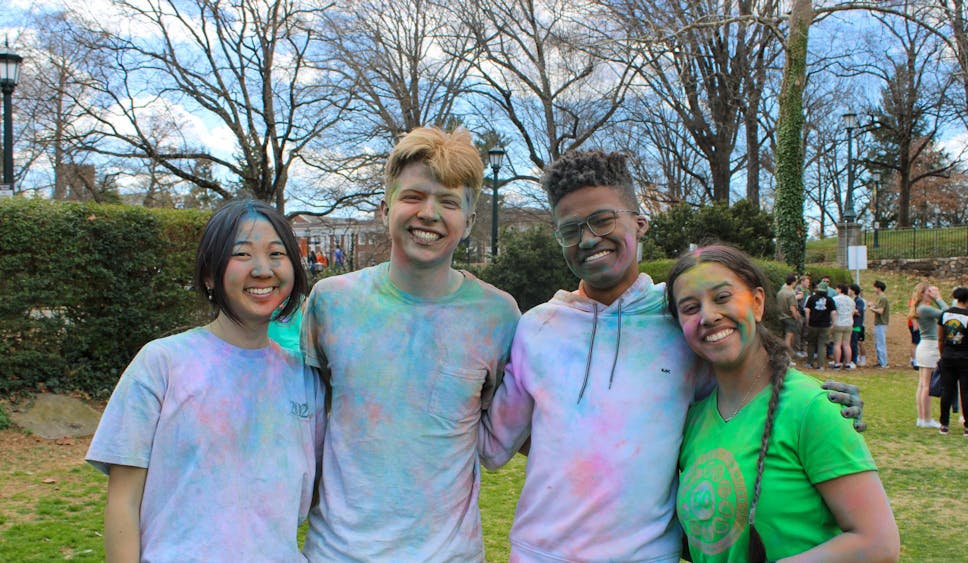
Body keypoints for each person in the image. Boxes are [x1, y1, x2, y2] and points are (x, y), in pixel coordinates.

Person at [478, 150, 863, 562]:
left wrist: (822, 402)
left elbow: (749, 390)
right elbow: (495, 445)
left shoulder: (681, 320)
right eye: (570, 229)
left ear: (640, 223)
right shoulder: (538, 329)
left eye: (603, 220)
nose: (588, 238)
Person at [301, 127, 520, 560]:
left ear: (470, 221)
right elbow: (306, 419)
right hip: (337, 553)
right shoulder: (332, 302)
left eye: (449, 202)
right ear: (385, 209)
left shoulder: (498, 317)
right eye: (413, 196)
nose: (429, 213)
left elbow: (503, 430)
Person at [86, 200, 323, 561]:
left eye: (277, 253)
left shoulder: (305, 379)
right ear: (210, 274)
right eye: (242, 254)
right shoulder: (161, 363)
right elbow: (123, 500)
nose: (263, 269)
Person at [667, 244, 899, 563]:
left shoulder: (812, 407)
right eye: (690, 308)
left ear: (758, 303)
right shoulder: (693, 421)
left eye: (722, 297)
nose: (708, 316)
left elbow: (878, 543)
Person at [938, 287, 968, 437]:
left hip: (948, 355)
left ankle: (944, 424)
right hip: (966, 357)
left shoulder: (945, 314)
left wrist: (943, 353)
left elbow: (940, 337)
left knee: (947, 391)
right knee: (966, 393)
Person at [909, 282, 947, 428]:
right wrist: (938, 298)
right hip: (930, 346)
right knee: (926, 386)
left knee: (923, 384)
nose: (932, 293)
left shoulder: (921, 308)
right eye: (929, 291)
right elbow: (947, 313)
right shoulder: (925, 308)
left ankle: (922, 417)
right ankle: (925, 418)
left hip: (925, 345)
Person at [804, 281, 834, 370]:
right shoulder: (829, 300)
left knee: (811, 343)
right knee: (822, 344)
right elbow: (833, 312)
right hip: (825, 325)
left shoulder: (811, 298)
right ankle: (820, 365)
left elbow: (807, 311)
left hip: (813, 324)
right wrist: (833, 323)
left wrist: (807, 321)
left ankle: (809, 363)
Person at [831, 284, 856, 369]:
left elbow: (833, 311)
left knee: (837, 344)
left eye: (836, 288)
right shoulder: (851, 300)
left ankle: (837, 363)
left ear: (840, 290)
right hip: (848, 323)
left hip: (838, 322)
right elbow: (853, 312)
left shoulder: (835, 299)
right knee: (846, 344)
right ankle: (848, 363)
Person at [776, 273, 801, 357]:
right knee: (788, 339)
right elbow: (792, 308)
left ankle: (782, 355)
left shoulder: (780, 292)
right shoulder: (791, 293)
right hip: (789, 318)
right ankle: (787, 357)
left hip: (781, 317)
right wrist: (796, 317)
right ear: (794, 282)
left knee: (783, 338)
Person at [871, 280, 891, 368]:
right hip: (878, 323)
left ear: (879, 288)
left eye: (875, 287)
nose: (874, 289)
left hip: (881, 323)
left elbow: (881, 311)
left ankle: (883, 363)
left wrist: (872, 309)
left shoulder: (883, 298)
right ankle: (880, 361)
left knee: (880, 343)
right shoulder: (880, 298)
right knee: (878, 343)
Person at [850, 284, 866, 367]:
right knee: (851, 341)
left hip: (857, 325)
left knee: (855, 342)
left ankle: (855, 360)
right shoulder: (851, 299)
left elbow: (859, 311)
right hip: (851, 324)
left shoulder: (859, 301)